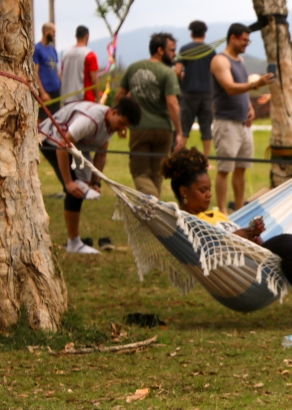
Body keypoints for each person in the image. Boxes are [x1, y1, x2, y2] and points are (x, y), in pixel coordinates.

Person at [161, 148, 292, 327]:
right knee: (289, 243)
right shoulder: (188, 222)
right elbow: (207, 250)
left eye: (209, 189)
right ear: (184, 192)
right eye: (202, 190)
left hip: (256, 259)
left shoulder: (216, 214)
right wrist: (237, 236)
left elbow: (247, 241)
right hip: (239, 272)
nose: (209, 195)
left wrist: (252, 233)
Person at [39, 98, 142, 254]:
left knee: (82, 185)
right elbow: (62, 146)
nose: (122, 129)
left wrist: (96, 183)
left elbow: (101, 155)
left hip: (77, 146)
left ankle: (74, 240)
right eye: (122, 123)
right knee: (74, 191)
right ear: (114, 112)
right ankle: (74, 243)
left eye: (126, 126)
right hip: (52, 140)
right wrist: (68, 182)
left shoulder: (111, 123)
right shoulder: (89, 121)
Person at [210, 24, 275, 213]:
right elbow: (230, 87)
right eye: (244, 40)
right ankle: (222, 211)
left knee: (241, 168)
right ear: (233, 38)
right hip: (226, 123)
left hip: (243, 123)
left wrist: (249, 106)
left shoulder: (241, 61)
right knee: (224, 169)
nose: (247, 44)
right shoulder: (219, 61)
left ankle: (239, 210)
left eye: (248, 40)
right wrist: (256, 84)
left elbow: (242, 86)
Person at [115, 32, 183, 199]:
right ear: (160, 50)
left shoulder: (133, 68)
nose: (175, 54)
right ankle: (155, 211)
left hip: (140, 129)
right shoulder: (167, 73)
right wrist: (179, 132)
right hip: (163, 130)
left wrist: (121, 123)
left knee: (140, 173)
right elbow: (173, 104)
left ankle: (153, 208)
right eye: (172, 50)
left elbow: (120, 97)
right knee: (156, 174)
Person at [174, 20, 216, 157]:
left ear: (191, 34)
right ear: (204, 34)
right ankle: (207, 160)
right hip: (207, 92)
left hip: (189, 91)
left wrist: (184, 78)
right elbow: (215, 70)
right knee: (206, 127)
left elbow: (177, 70)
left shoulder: (185, 49)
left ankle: (178, 156)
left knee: (184, 126)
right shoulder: (211, 50)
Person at [60, 25, 100, 103]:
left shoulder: (66, 54)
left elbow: (62, 74)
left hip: (67, 98)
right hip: (85, 99)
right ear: (87, 36)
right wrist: (98, 98)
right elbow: (94, 79)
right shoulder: (90, 54)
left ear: (75, 36)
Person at [34, 22, 61, 119]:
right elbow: (35, 72)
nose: (54, 34)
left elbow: (56, 70)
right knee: (44, 121)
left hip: (56, 91)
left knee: (57, 119)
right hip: (46, 92)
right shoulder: (37, 49)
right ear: (46, 32)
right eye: (53, 32)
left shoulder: (53, 49)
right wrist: (42, 93)